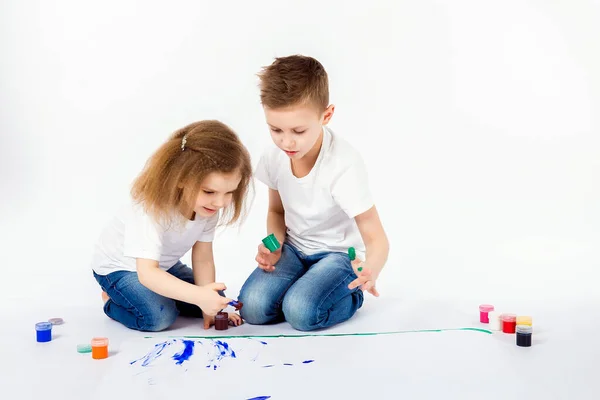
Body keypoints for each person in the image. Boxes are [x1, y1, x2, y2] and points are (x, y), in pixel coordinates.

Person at [238, 55, 390, 331]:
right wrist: (273, 246)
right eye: (275, 130)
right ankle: (308, 284)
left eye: (298, 130)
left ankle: (347, 295)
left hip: (338, 254)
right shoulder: (275, 155)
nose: (287, 141)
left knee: (300, 313)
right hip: (295, 249)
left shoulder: (343, 164)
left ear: (326, 115)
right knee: (252, 308)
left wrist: (372, 270)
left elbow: (375, 236)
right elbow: (277, 211)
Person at [91, 120, 253, 332]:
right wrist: (197, 296)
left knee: (216, 300)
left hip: (160, 265)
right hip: (121, 268)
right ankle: (111, 302)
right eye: (209, 192)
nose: (220, 203)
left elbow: (203, 258)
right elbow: (147, 273)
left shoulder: (208, 207)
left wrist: (208, 309)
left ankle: (161, 294)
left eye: (229, 192)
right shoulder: (150, 207)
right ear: (181, 179)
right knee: (159, 317)